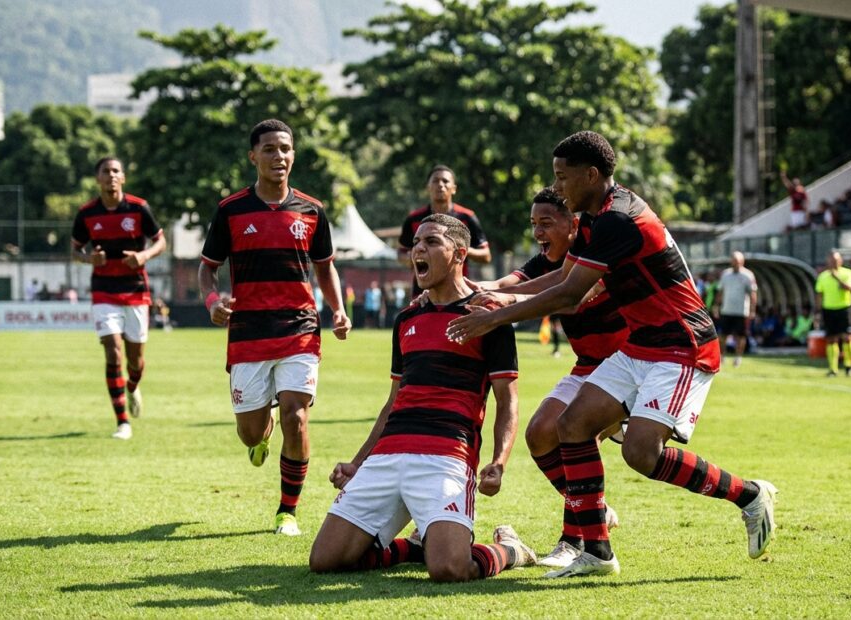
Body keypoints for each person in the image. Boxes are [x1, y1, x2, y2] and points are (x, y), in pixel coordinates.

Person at [447, 131, 777, 578]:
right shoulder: (594, 217)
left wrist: (494, 318)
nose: (559, 187)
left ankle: (750, 495)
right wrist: (497, 297)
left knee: (641, 453)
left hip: (682, 345)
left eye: (563, 178)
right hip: (641, 343)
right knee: (570, 426)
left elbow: (568, 295)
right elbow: (561, 278)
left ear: (592, 174)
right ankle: (597, 552)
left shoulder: (618, 221)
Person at [309, 213, 535, 581]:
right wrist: (357, 463)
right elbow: (393, 402)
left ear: (459, 254)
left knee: (449, 569)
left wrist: (499, 460)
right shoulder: (406, 318)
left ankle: (509, 549)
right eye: (416, 242)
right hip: (388, 454)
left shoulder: (488, 317)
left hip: (446, 455)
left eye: (431, 242)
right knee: (327, 559)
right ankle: (414, 546)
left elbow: (507, 399)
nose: (418, 249)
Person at [199, 119, 352, 535]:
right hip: (248, 333)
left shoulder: (312, 210)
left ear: (293, 154)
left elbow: (326, 269)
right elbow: (207, 270)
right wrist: (212, 301)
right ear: (254, 156)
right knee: (250, 435)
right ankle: (261, 434)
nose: (278, 156)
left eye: (285, 148)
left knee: (296, 417)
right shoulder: (231, 210)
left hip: (299, 328)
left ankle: (288, 510)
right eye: (268, 149)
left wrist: (337, 310)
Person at [466, 186, 628, 568]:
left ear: (573, 223)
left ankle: (575, 541)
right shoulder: (545, 260)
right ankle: (595, 511)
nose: (538, 232)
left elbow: (567, 295)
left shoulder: (597, 254)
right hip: (589, 365)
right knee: (540, 434)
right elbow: (509, 283)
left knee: (578, 437)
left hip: (632, 365)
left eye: (546, 223)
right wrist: (463, 289)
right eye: (533, 224)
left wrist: (502, 308)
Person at [71, 157, 166, 440]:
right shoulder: (86, 213)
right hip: (103, 291)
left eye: (115, 171)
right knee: (113, 351)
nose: (111, 176)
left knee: (135, 361)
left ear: (123, 177)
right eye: (105, 172)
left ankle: (133, 385)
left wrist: (144, 256)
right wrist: (90, 259)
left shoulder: (139, 208)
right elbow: (75, 250)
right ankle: (122, 421)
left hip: (136, 290)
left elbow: (161, 240)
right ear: (97, 179)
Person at [397, 165, 491, 296]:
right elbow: (401, 253)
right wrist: (417, 258)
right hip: (421, 293)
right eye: (435, 181)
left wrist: (456, 249)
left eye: (445, 181)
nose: (440, 185)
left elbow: (486, 255)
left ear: (454, 189)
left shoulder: (467, 217)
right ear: (428, 187)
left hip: (457, 291)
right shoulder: (413, 219)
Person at [814, 251, 851, 377]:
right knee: (831, 339)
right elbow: (819, 294)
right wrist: (817, 311)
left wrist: (836, 277)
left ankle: (848, 365)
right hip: (829, 310)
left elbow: (850, 288)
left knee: (847, 337)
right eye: (831, 260)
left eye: (836, 260)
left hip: (844, 308)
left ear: (841, 261)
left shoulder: (848, 273)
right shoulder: (823, 276)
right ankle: (833, 368)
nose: (833, 262)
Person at [713, 251, 757, 368]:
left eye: (737, 261)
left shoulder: (748, 275)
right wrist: (716, 306)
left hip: (741, 311)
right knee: (723, 335)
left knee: (740, 336)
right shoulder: (725, 274)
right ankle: (722, 356)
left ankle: (738, 358)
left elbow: (753, 294)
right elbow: (720, 291)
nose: (735, 263)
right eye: (733, 261)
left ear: (742, 262)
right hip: (726, 310)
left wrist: (752, 310)